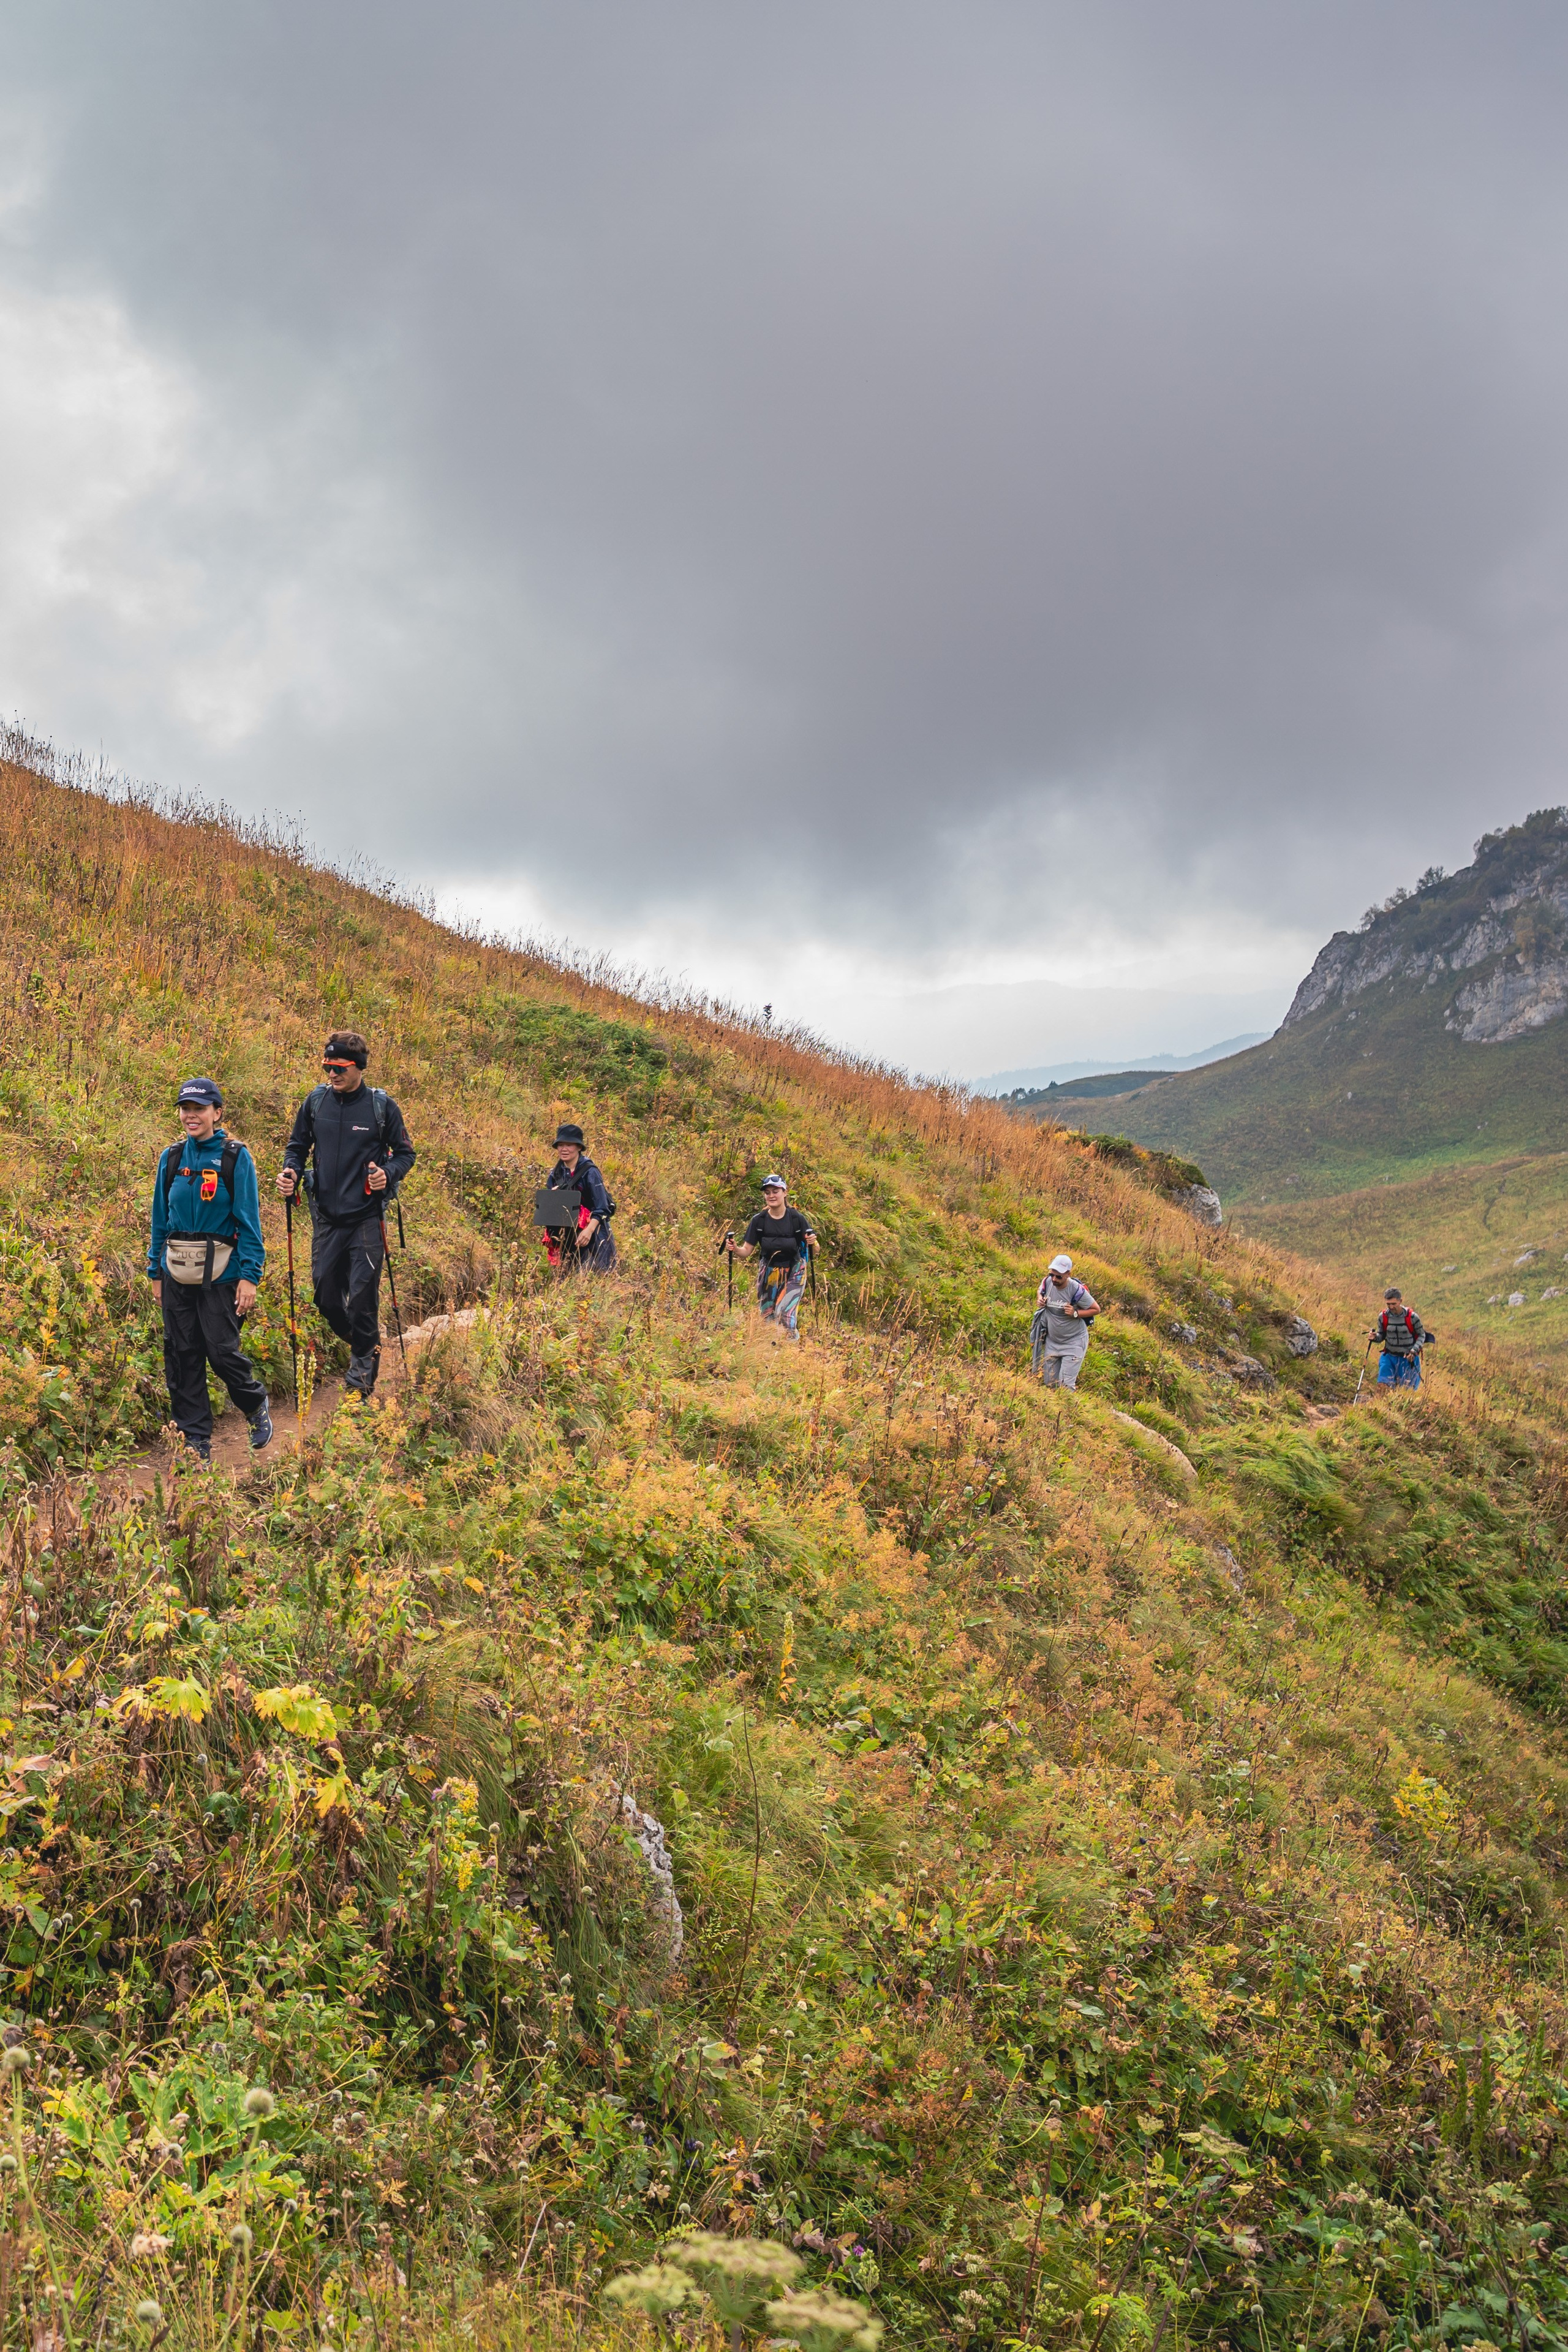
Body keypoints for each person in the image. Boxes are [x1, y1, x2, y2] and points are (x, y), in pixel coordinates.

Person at [277, 1032, 415, 1397]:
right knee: (325, 1297)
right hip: (326, 1216)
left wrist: (389, 1173)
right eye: (327, 1066)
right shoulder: (316, 1102)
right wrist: (291, 1172)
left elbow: (405, 1154)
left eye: (338, 1068)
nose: (331, 1074)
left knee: (362, 1296)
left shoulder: (380, 1108)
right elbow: (297, 1147)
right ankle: (366, 1346)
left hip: (367, 1218)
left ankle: (359, 1380)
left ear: (358, 1067)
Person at [148, 1077, 272, 1461]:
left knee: (220, 1351)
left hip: (224, 1272)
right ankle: (195, 1439)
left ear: (217, 1113)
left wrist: (250, 1276)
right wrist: (155, 1270)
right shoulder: (171, 1158)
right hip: (177, 1272)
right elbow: (159, 1219)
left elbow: (249, 1222)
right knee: (182, 1354)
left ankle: (254, 1405)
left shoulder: (236, 1157)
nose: (191, 1116)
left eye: (200, 1109)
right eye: (186, 1109)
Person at [728, 1174, 817, 1337]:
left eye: (775, 1191)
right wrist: (734, 1248)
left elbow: (814, 1250)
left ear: (784, 1192)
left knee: (785, 1313)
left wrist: (813, 1242)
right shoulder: (759, 1221)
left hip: (795, 1269)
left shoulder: (797, 1219)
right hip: (769, 1271)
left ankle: (791, 1349)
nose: (771, 1196)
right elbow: (746, 1251)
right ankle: (771, 1350)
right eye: (767, 1192)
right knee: (767, 1314)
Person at [544, 1123, 617, 1272]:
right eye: (561, 1145)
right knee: (567, 1274)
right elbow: (549, 1211)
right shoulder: (555, 1174)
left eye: (569, 1145)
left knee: (601, 1273)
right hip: (567, 1233)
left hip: (595, 1230)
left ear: (579, 1147)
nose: (564, 1149)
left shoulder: (590, 1172)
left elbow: (602, 1208)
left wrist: (588, 1231)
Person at [1031, 1252, 1099, 1390]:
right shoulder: (1047, 1282)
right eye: (1052, 1275)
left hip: (1074, 1342)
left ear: (1068, 1274)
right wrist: (1040, 1298)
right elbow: (1040, 1290)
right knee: (1049, 1384)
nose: (1054, 1279)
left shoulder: (1076, 1290)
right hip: (1053, 1342)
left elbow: (1096, 1309)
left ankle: (1069, 1411)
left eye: (1059, 1276)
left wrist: (1075, 1313)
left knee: (1066, 1386)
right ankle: (1052, 1412)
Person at [1373, 1286, 1427, 1389]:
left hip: (1408, 1359)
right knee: (1383, 1386)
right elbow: (1381, 1336)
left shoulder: (1412, 1317)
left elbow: (1422, 1335)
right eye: (1388, 1304)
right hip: (1389, 1357)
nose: (1391, 1307)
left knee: (1406, 1391)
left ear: (1400, 1301)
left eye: (1394, 1304)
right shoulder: (1383, 1317)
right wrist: (1375, 1337)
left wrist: (1414, 1351)